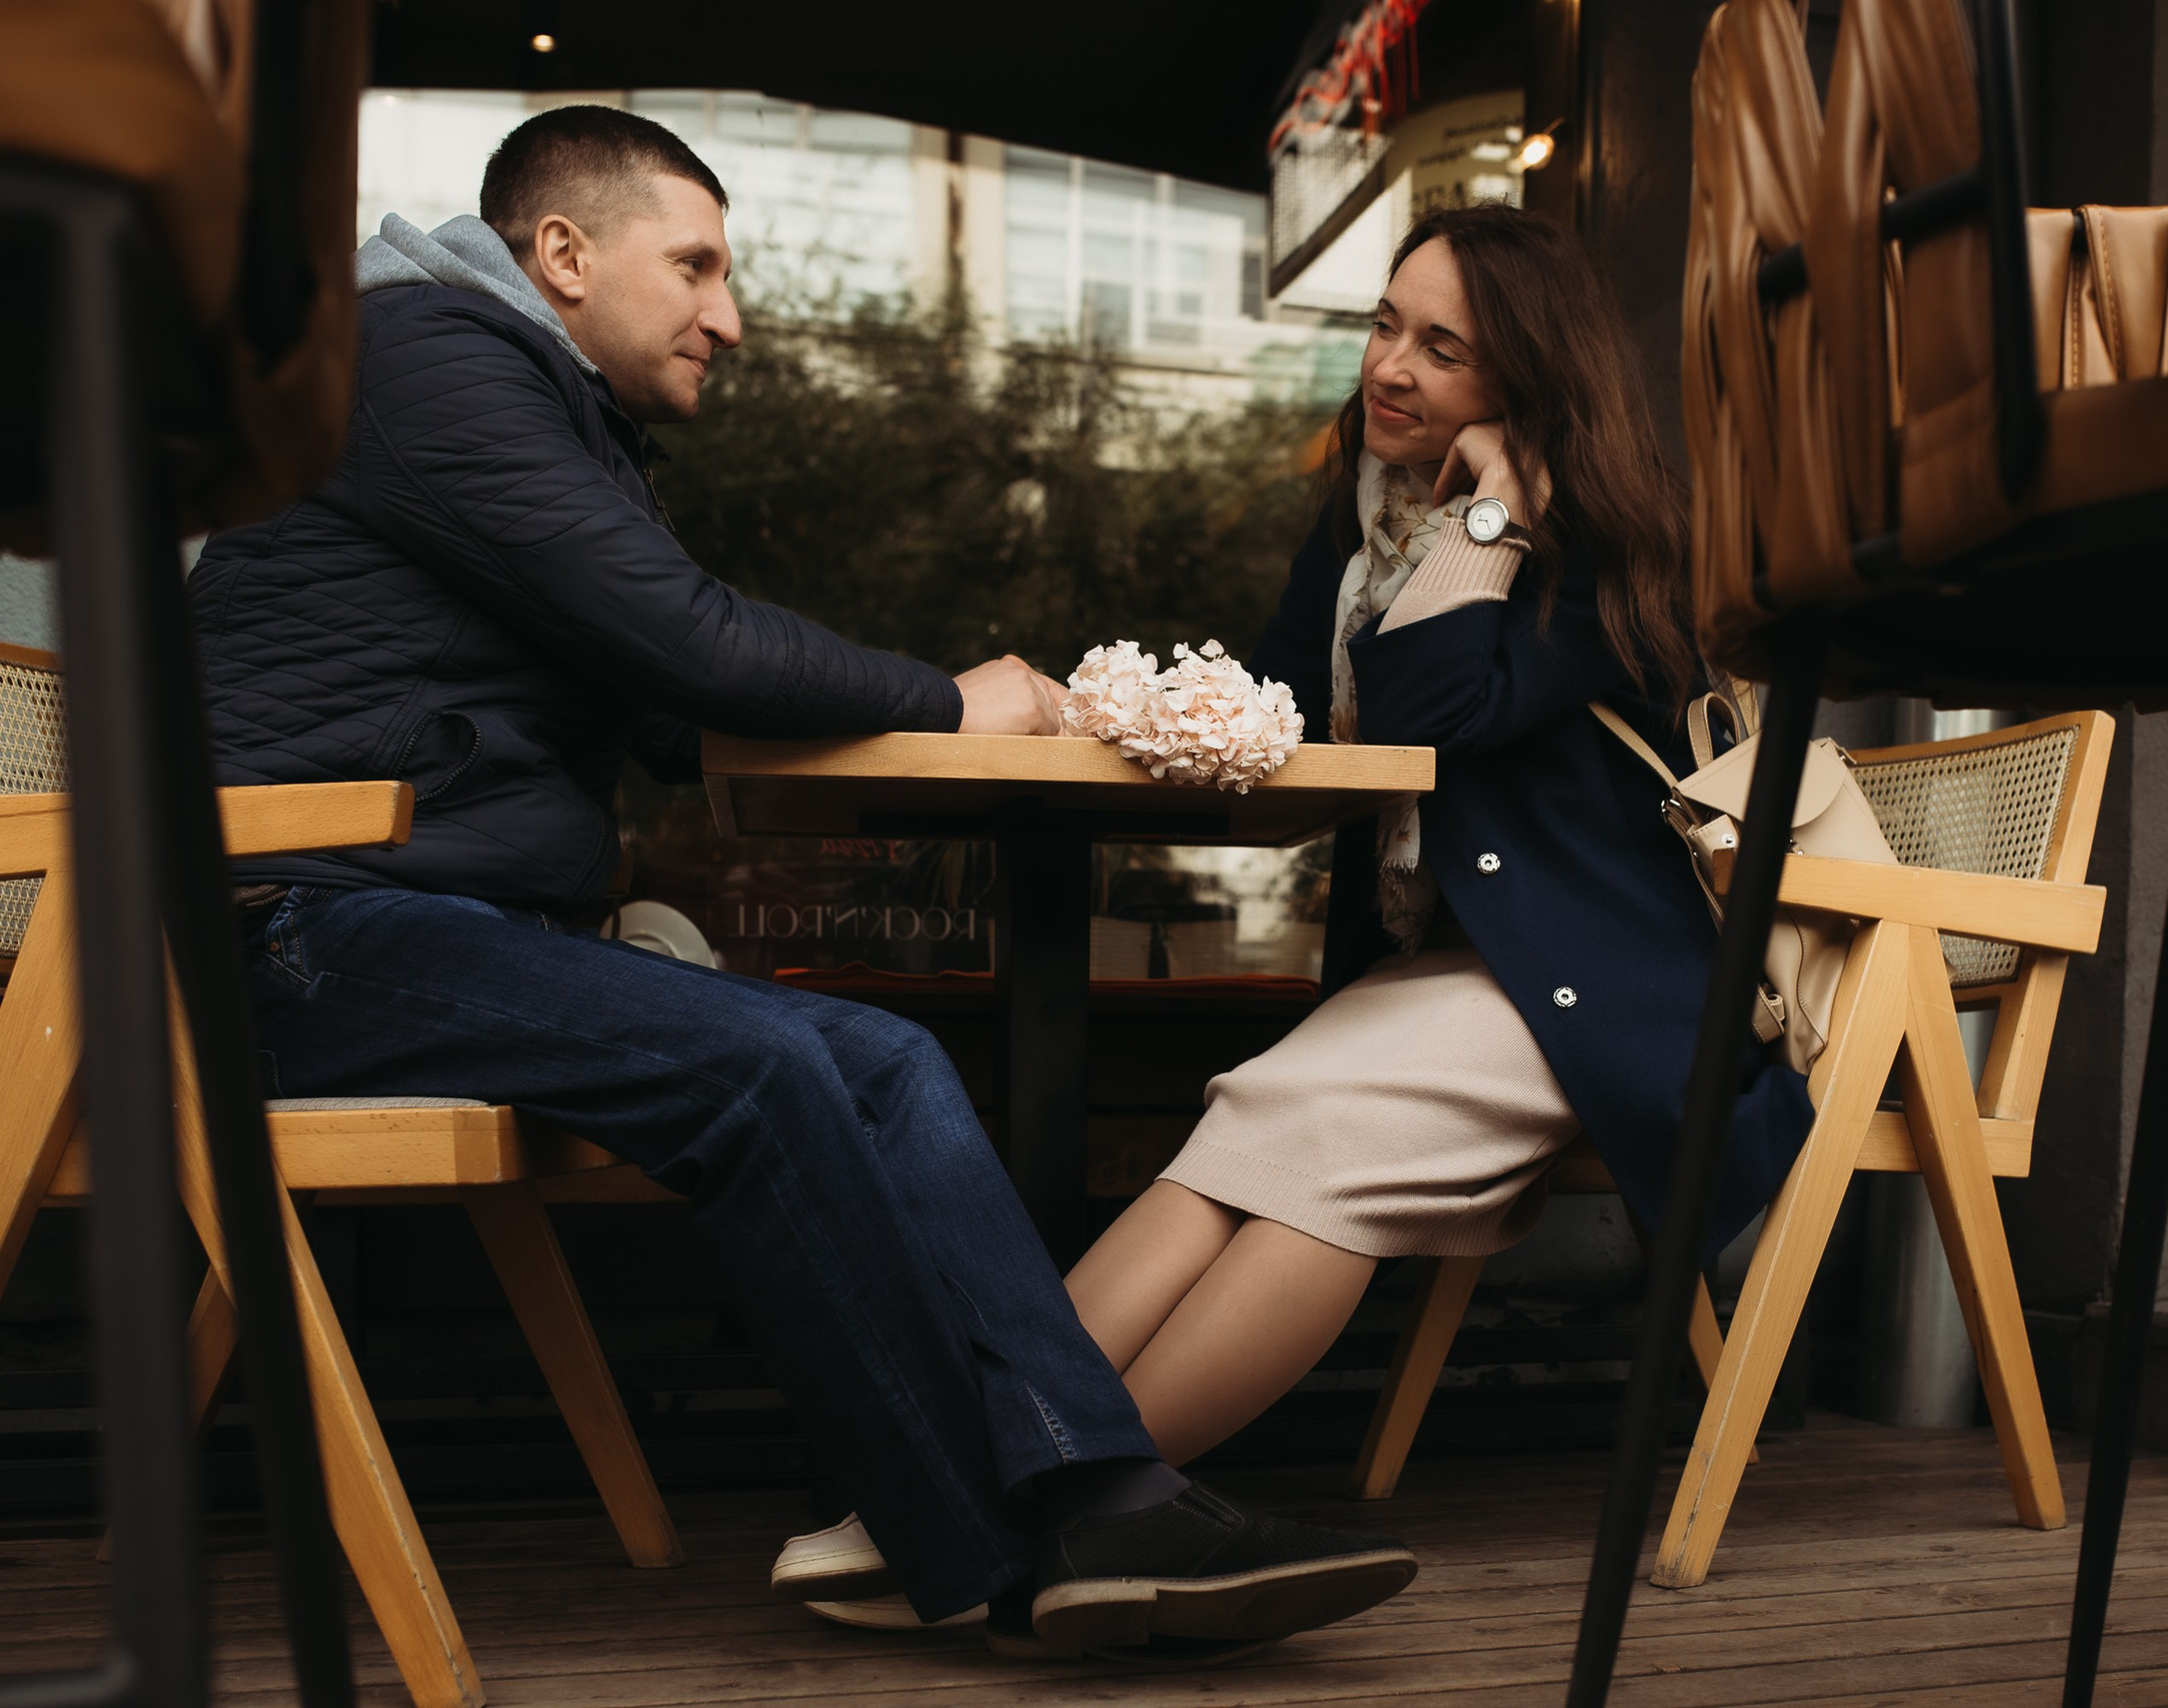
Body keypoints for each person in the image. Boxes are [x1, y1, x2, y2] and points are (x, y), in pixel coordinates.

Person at [191, 105, 1413, 1659]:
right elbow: (690, 646)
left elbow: (654, 694)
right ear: (561, 256)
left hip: (419, 928)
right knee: (764, 1062)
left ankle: (1105, 1497)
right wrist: (945, 700)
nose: (731, 314)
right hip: (291, 934)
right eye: (694, 265)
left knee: (891, 1057)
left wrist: (850, 692)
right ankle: (979, 1550)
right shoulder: (426, 360)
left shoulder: (547, 418)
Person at [1061, 205, 1818, 1466]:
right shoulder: (1365, 523)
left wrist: (1491, 518)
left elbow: (1427, 712)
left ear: (1523, 382)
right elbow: (1293, 707)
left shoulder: (1600, 543)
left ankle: (1048, 1497)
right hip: (1455, 973)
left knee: (1317, 1150)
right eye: (1382, 324)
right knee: (1245, 1124)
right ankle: (989, 1477)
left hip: (1609, 978)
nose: (1389, 366)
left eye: (1441, 347)